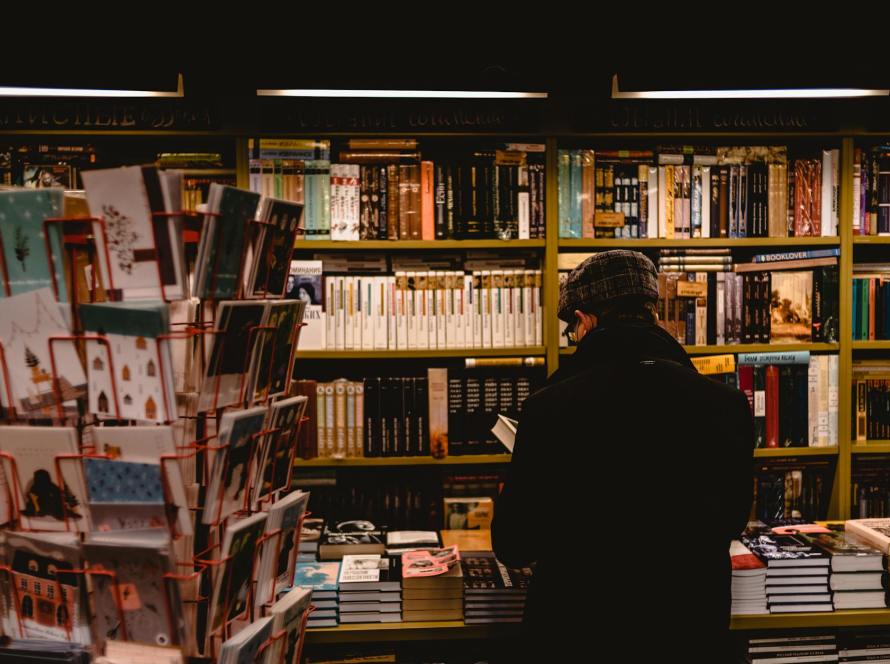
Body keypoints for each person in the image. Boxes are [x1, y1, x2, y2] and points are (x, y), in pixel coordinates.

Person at [492, 250, 754, 662]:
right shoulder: (727, 404)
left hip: (578, 639)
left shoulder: (551, 407)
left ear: (585, 320)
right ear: (650, 312)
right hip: (689, 638)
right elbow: (731, 520)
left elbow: (515, 544)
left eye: (571, 331)